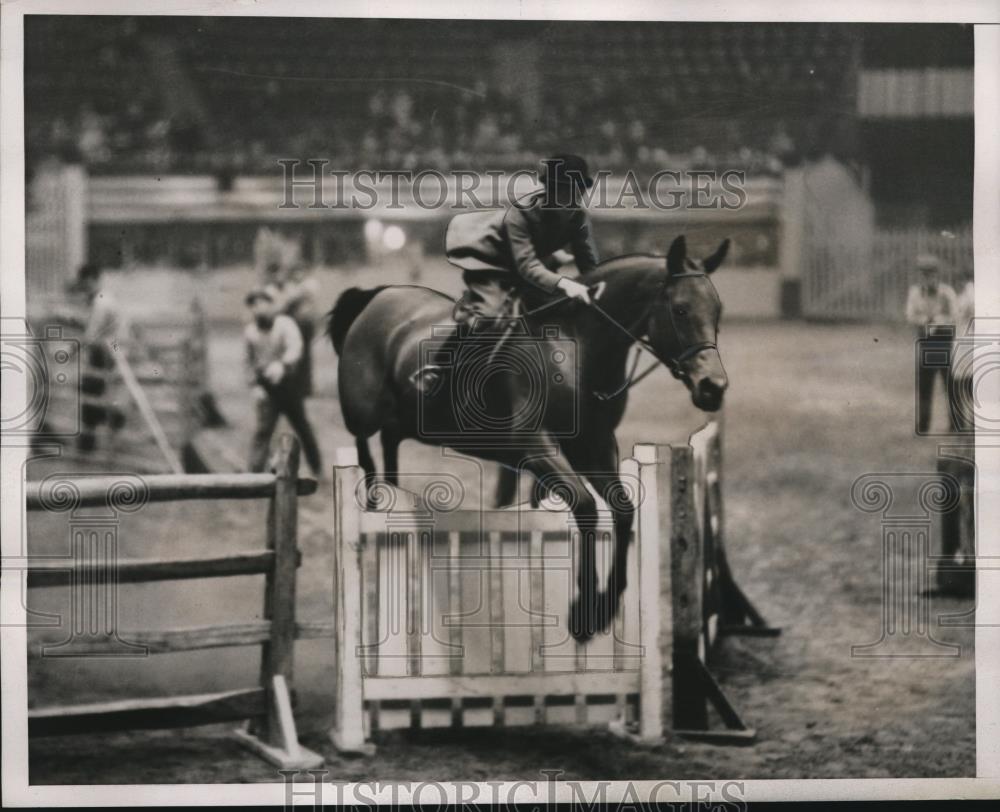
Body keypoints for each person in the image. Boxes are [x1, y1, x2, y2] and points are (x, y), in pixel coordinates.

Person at [414, 154, 599, 391]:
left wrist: (596, 285)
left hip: (539, 272)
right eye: (566, 192)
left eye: (578, 191)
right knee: (487, 314)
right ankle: (437, 370)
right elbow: (527, 266)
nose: (573, 199)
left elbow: (589, 263)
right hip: (493, 268)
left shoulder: (579, 217)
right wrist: (566, 284)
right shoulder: (520, 214)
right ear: (550, 191)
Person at [244, 287, 323, 477]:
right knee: (263, 430)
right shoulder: (251, 331)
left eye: (262, 304)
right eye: (254, 306)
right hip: (267, 386)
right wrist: (254, 385)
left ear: (271, 305)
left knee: (302, 427)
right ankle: (253, 474)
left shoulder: (285, 324)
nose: (259, 310)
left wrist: (283, 365)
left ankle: (317, 468)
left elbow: (296, 347)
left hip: (288, 385)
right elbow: (248, 361)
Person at [73, 263, 128, 451]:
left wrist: (70, 350)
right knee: (91, 391)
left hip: (107, 352)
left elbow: (91, 334)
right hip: (108, 350)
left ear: (94, 280)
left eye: (86, 284)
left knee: (90, 390)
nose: (84, 288)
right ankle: (91, 436)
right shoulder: (101, 299)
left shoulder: (101, 302)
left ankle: (93, 435)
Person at [905, 254, 957, 433]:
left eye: (931, 274)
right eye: (924, 275)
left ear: (937, 275)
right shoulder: (915, 292)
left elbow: (954, 317)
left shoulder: (947, 293)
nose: (928, 278)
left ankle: (955, 423)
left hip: (944, 341)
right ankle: (924, 424)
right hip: (926, 341)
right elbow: (910, 315)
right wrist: (926, 319)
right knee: (925, 384)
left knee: (949, 384)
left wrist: (939, 320)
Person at [263, 260, 319, 398]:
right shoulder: (273, 289)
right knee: (284, 354)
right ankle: (286, 384)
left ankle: (304, 386)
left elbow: (294, 300)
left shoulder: (304, 285)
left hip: (302, 324)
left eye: (300, 272)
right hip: (285, 325)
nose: (279, 277)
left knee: (303, 355)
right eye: (276, 274)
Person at [949, 267, 975, 432]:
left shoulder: (971, 294)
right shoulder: (961, 295)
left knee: (967, 382)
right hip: (961, 340)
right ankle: (962, 422)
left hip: (969, 341)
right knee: (960, 381)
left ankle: (971, 422)